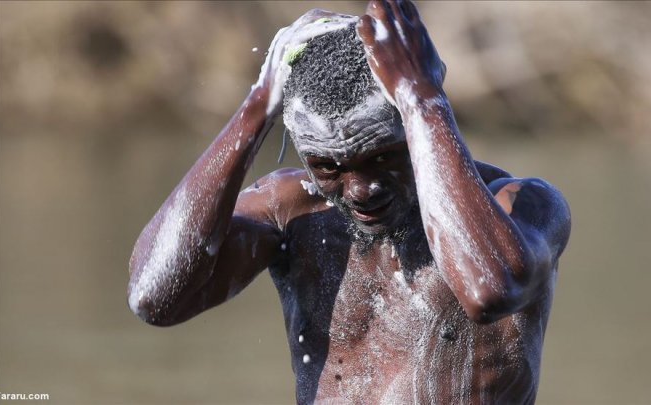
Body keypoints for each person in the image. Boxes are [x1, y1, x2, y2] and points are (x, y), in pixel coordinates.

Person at [128, 1, 571, 403]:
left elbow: (488, 291)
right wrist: (258, 106)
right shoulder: (291, 210)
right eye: (329, 167)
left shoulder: (521, 204)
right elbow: (154, 298)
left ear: (413, 132)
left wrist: (422, 97)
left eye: (382, 158)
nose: (362, 189)